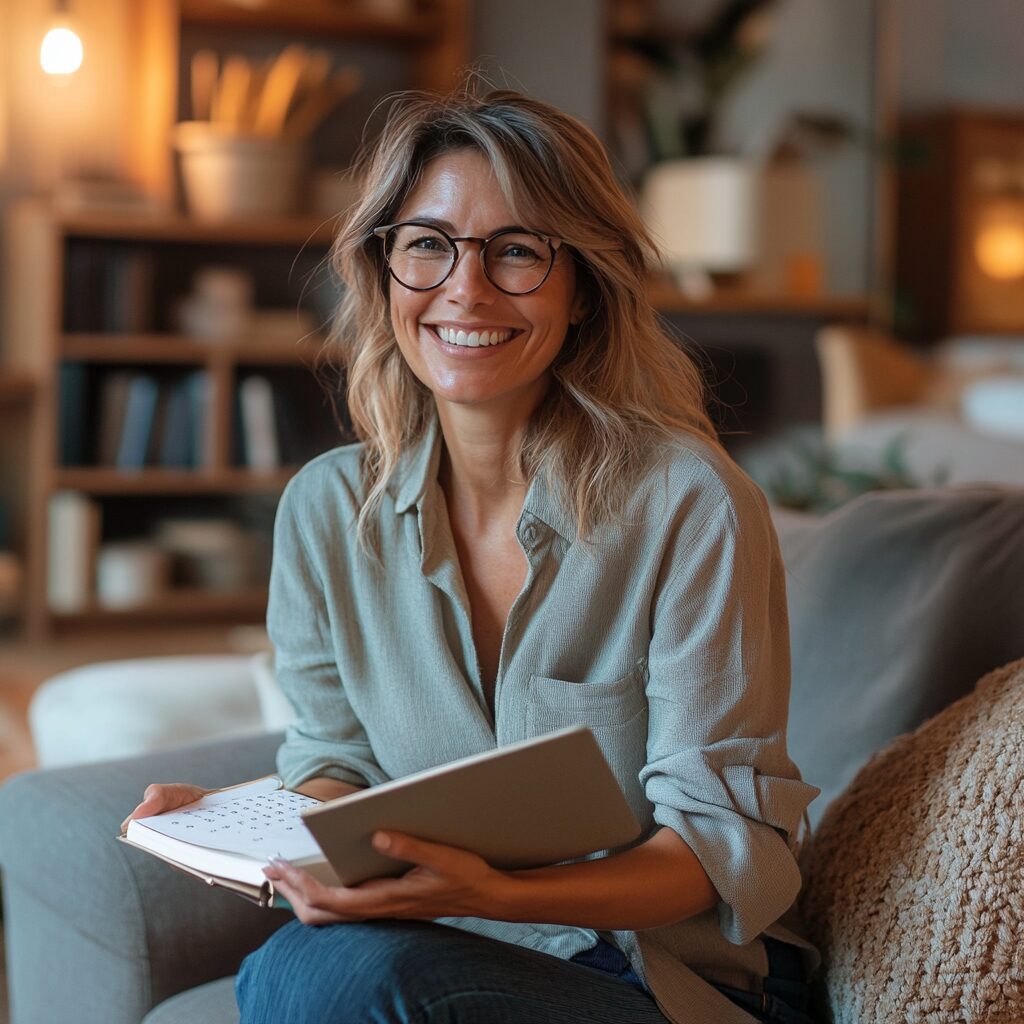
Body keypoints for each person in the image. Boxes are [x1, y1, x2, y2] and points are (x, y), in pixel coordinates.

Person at [125, 88, 819, 1024]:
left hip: (669, 978)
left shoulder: (690, 504)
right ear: (382, 270)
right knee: (290, 968)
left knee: (348, 981)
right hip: (456, 951)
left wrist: (491, 894)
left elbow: (714, 848)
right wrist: (245, 827)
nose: (466, 289)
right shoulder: (327, 511)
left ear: (584, 288)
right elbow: (339, 762)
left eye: (518, 251)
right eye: (428, 244)